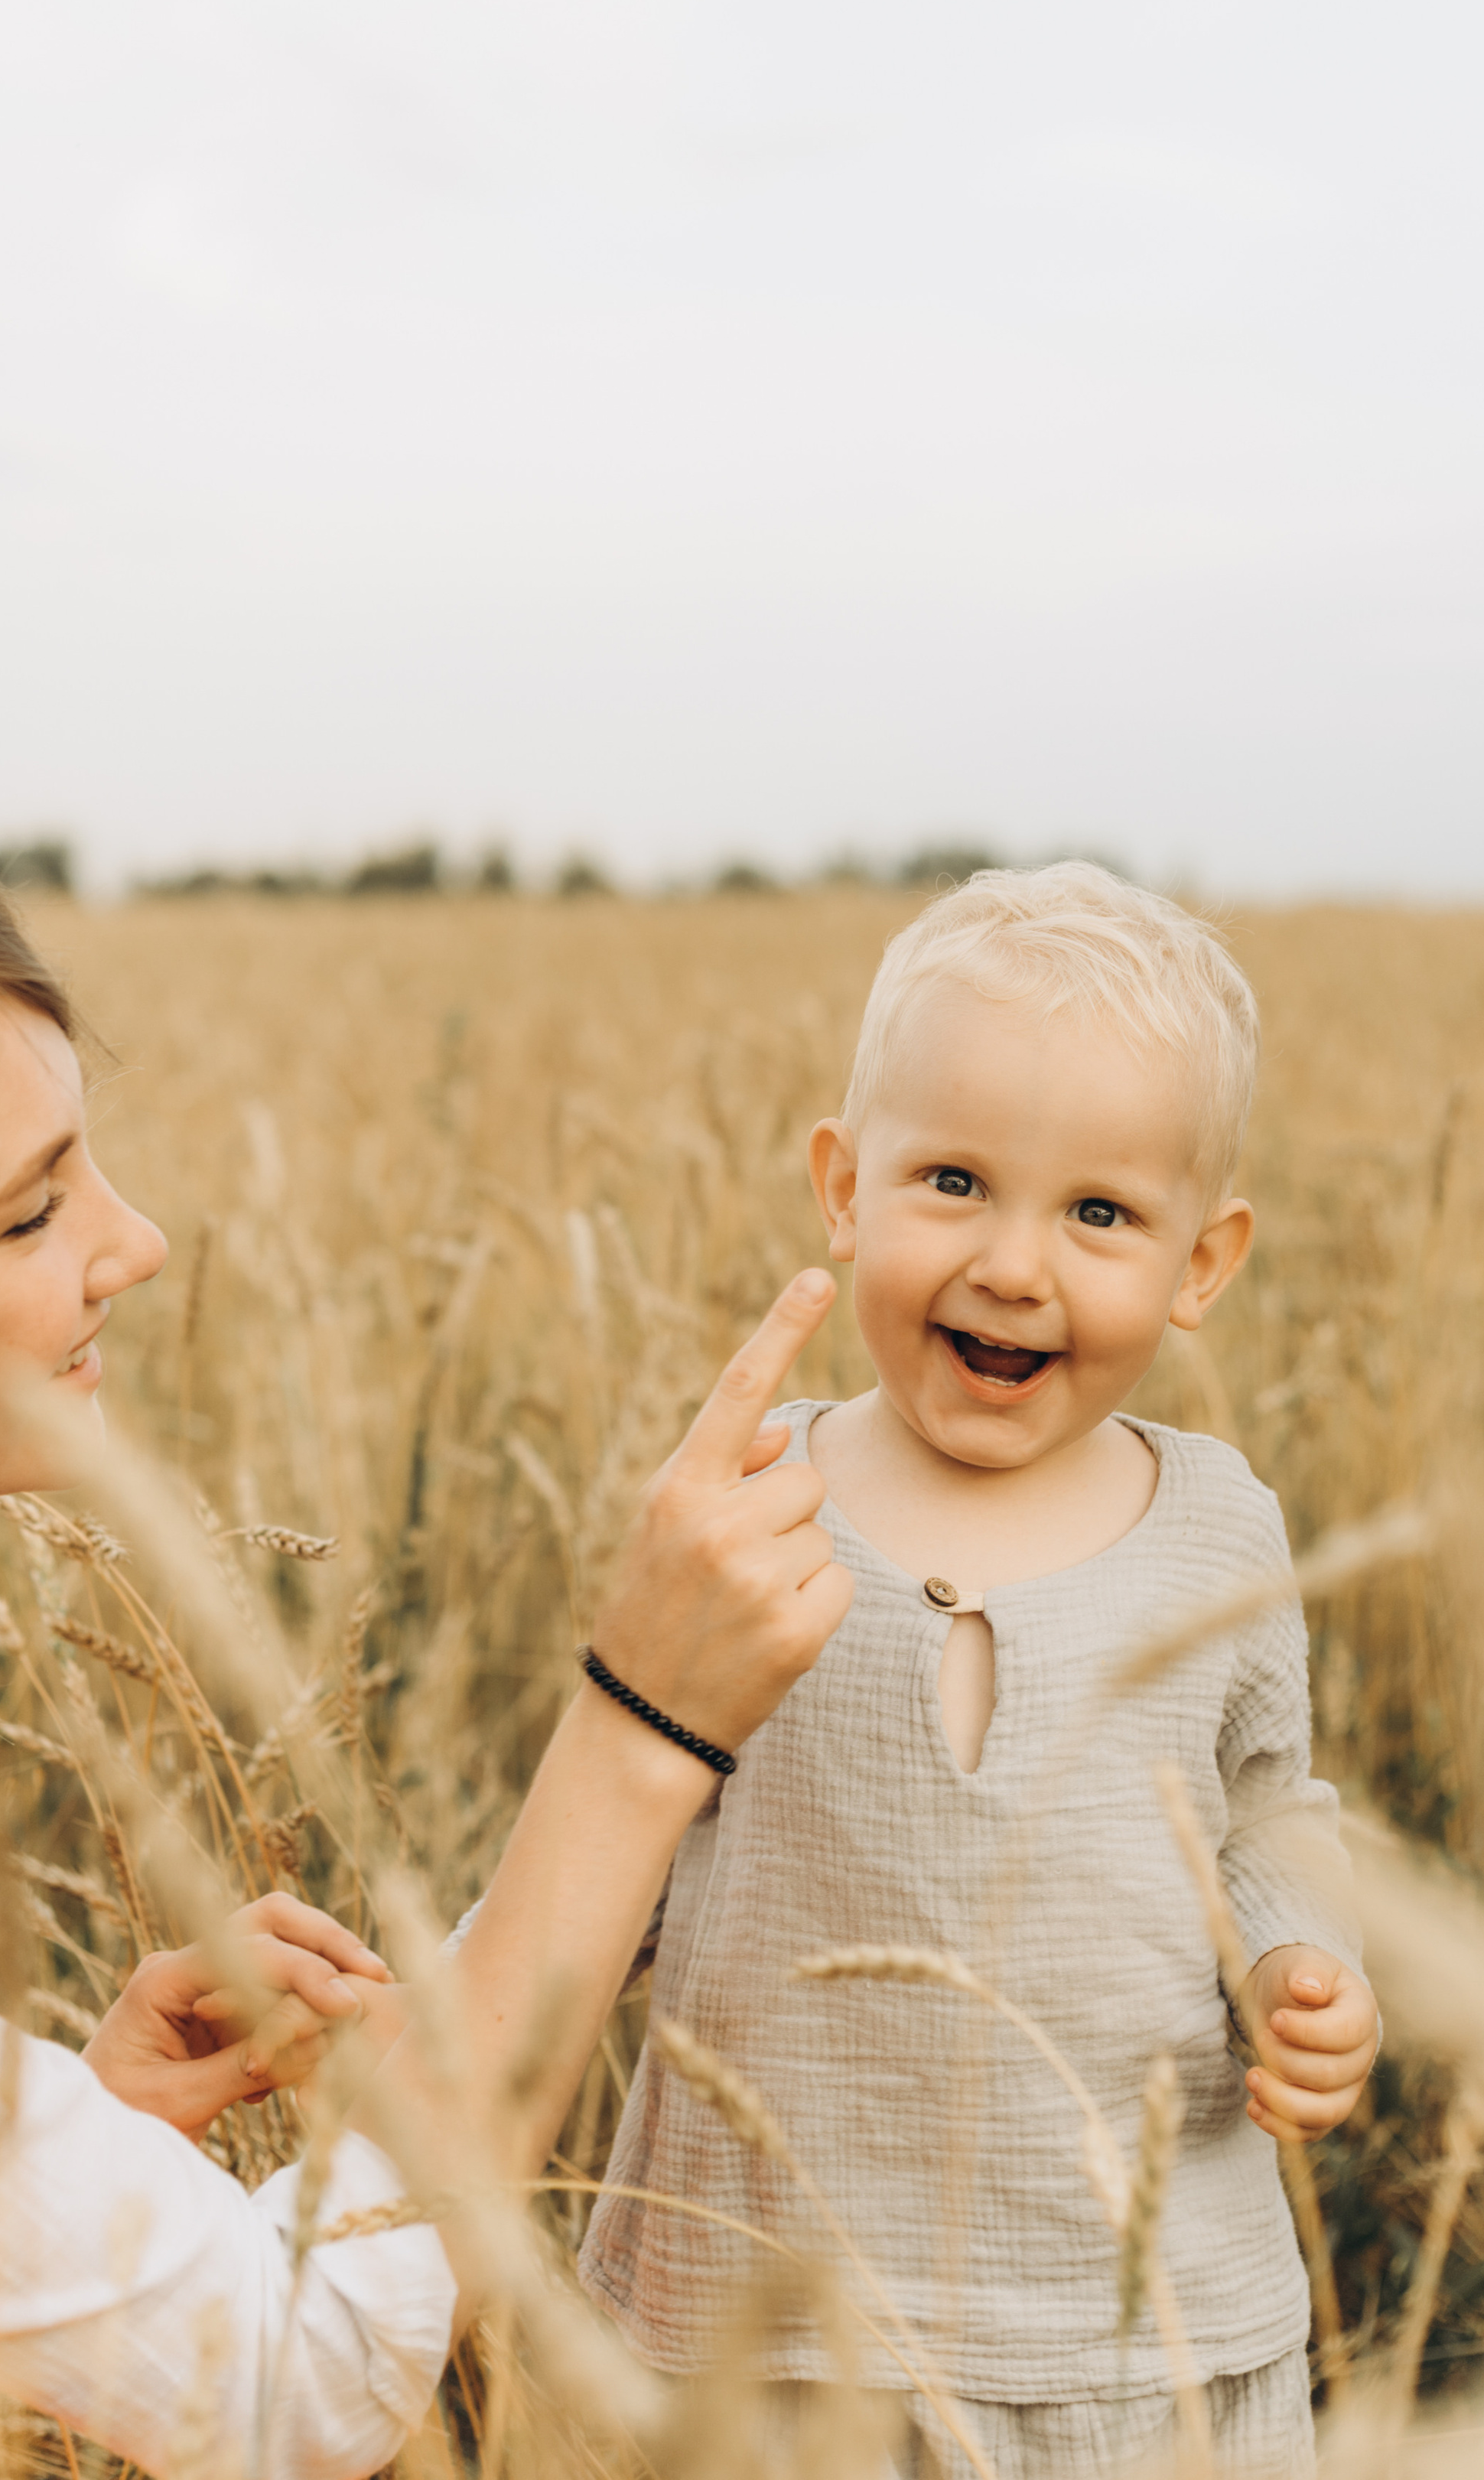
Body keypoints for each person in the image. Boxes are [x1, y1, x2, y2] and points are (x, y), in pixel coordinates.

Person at [0, 818, 852, 2479]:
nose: (137, 1244)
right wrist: (641, 1727)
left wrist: (55, 2137)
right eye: (30, 1217)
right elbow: (296, 2377)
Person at [577, 864, 1381, 2478]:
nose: (1016, 1266)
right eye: (952, 1181)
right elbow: (609, 1813)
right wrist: (434, 2022)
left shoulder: (1217, 1529)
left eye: (1099, 1214)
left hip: (1138, 2342)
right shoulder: (749, 1498)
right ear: (842, 1186)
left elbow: (1262, 1810)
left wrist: (1302, 1965)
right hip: (771, 2327)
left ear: (1201, 1262)